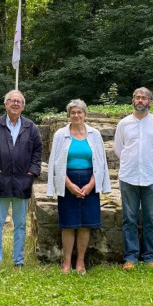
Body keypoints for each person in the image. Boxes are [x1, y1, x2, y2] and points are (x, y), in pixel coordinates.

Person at [46, 99, 110, 274]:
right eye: (73, 112)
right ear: (68, 115)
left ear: (85, 115)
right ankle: (67, 262)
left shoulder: (95, 134)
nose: (76, 115)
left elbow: (100, 163)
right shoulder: (60, 134)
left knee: (85, 224)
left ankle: (80, 262)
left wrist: (91, 184)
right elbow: (56, 163)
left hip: (89, 179)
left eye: (79, 112)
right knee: (68, 223)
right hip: (68, 179)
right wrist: (68, 185)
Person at [114, 88, 153, 270]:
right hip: (129, 177)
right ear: (133, 100)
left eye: (144, 98)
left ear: (151, 101)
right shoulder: (123, 124)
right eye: (137, 98)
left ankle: (150, 257)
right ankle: (130, 257)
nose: (140, 101)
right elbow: (119, 150)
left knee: (151, 219)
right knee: (129, 219)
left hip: (152, 178)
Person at [0, 90, 42, 266]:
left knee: (21, 224)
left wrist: (32, 172)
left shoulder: (31, 127)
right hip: (0, 179)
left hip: (23, 181)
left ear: (23, 106)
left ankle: (18, 260)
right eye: (11, 100)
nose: (15, 104)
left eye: (19, 101)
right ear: (5, 104)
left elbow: (38, 151)